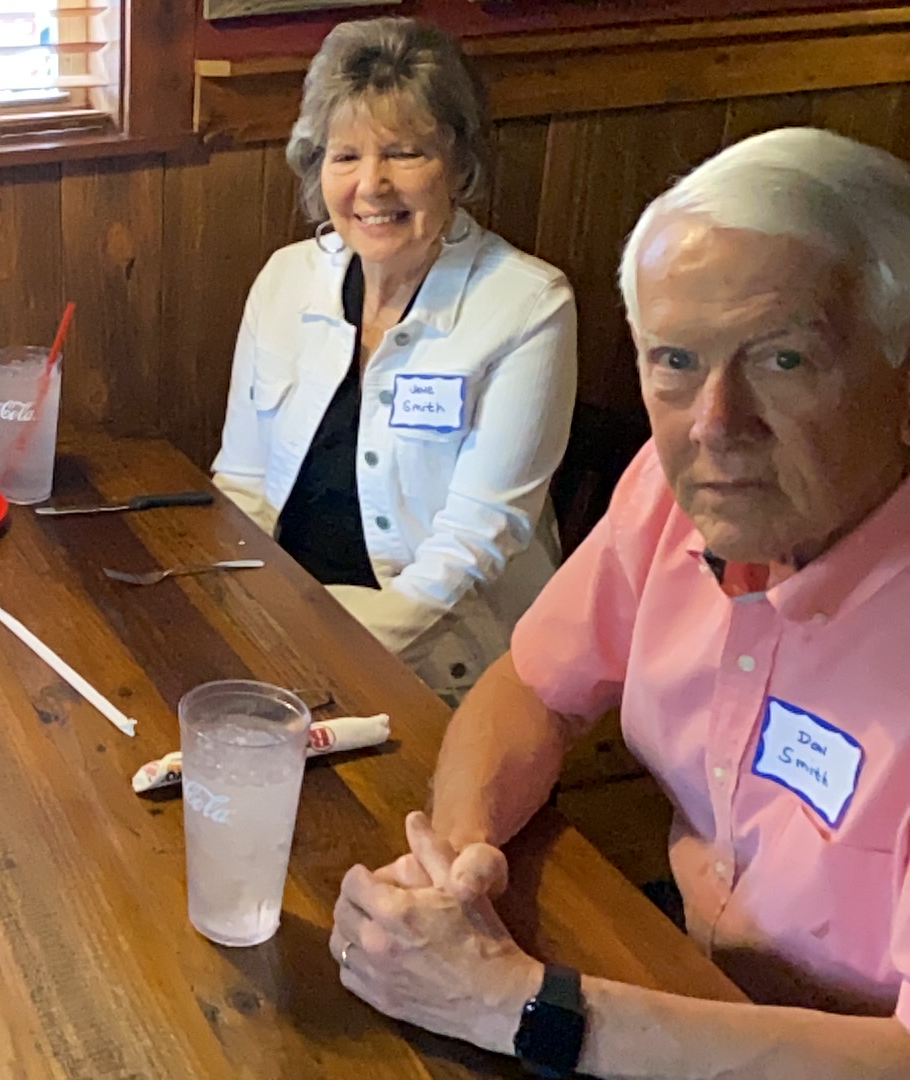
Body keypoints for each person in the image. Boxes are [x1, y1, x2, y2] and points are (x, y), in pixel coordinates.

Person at [332, 127, 910, 1077]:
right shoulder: (674, 492)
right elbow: (534, 685)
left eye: (784, 361)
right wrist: (460, 861)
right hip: (681, 984)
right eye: (675, 361)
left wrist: (529, 1008)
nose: (716, 425)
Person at [212, 17, 576, 703]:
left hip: (454, 671)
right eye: (345, 156)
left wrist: (328, 647)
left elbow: (476, 541)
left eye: (404, 153)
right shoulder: (285, 280)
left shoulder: (530, 305)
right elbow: (243, 485)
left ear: (459, 162)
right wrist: (242, 618)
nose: (371, 186)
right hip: (289, 632)